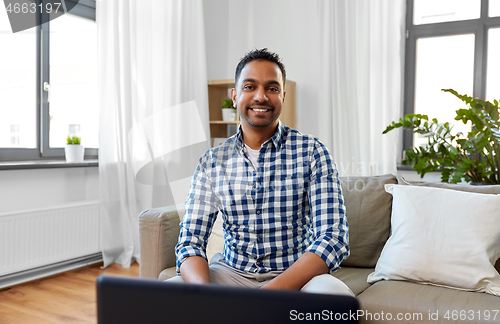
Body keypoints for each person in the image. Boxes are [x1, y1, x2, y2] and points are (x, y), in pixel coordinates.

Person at [170, 48, 352, 296]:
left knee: (337, 299)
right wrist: (205, 298)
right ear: (234, 96)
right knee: (164, 297)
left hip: (296, 277)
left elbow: (333, 239)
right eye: (249, 87)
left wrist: (265, 296)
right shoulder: (211, 162)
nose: (261, 96)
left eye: (272, 88)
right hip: (230, 274)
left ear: (283, 96)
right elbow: (190, 241)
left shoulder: (312, 152)